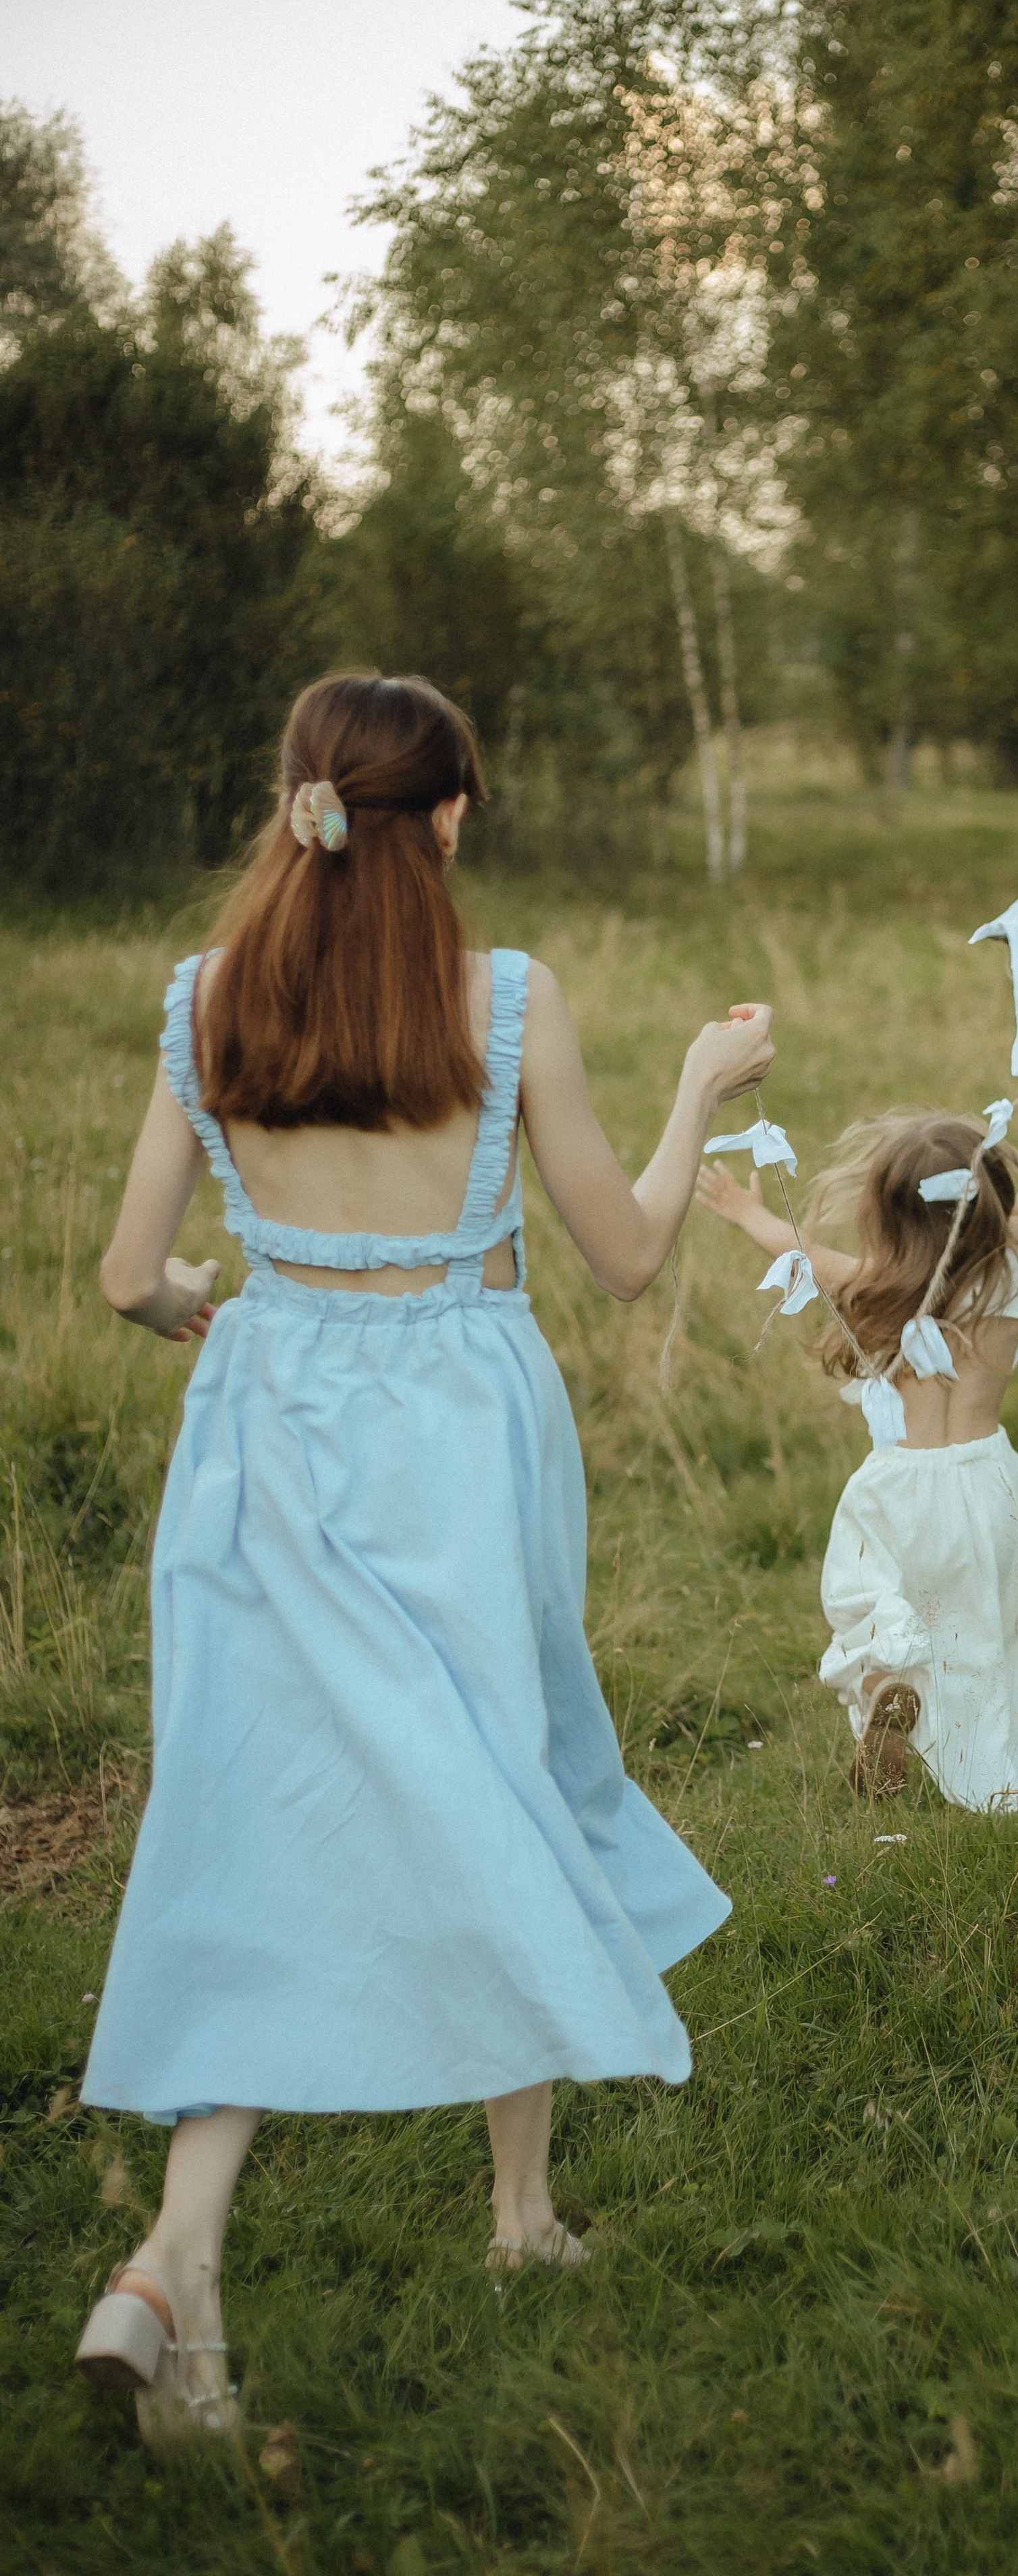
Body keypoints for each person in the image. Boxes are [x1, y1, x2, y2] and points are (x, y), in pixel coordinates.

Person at [73, 672, 775, 2445]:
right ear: (447, 818)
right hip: (456, 1431)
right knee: (495, 1779)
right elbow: (624, 1252)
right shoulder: (505, 1000)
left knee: (257, 1824)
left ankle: (176, 2258)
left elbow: (127, 1273)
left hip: (264, 1427)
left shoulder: (204, 1001)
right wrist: (700, 1088)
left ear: (297, 805)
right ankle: (517, 2215)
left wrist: (191, 1300)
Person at [697, 1072, 1018, 1812]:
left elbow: (800, 1254)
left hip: (896, 1492)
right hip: (988, 1486)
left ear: (885, 1216)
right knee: (991, 1616)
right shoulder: (1005, 1282)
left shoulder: (875, 1288)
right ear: (990, 1208)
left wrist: (744, 1211)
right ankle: (993, 1732)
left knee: (879, 1607)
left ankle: (887, 1687)